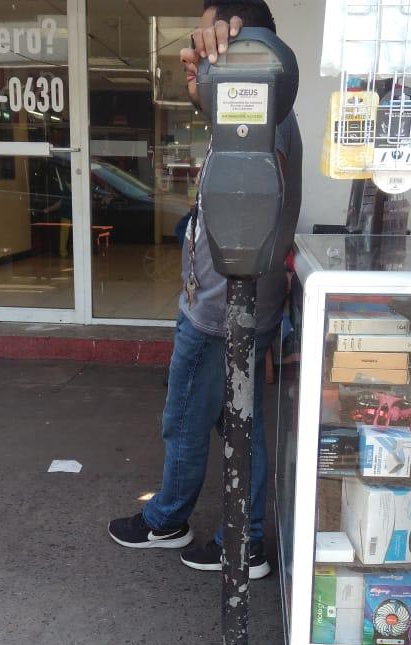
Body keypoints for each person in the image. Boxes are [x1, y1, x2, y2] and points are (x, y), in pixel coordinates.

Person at [108, 0, 302, 580]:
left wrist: (235, 54)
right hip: (229, 302)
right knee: (238, 420)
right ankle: (244, 536)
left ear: (244, 42)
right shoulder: (256, 111)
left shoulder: (265, 113)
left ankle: (179, 522)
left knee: (191, 420)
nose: (195, 58)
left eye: (210, 43)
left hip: (221, 311)